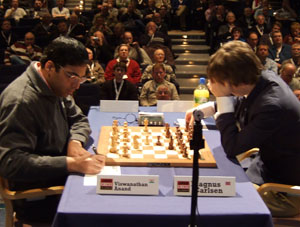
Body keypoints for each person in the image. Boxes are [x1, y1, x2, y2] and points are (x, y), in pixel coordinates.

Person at [185, 41, 300, 217]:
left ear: (234, 80)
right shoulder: (263, 79)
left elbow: (232, 147)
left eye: (219, 81)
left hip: (284, 192)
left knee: (211, 197)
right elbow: (245, 100)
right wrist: (212, 107)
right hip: (265, 168)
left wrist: (222, 97)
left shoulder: (272, 105)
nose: (212, 84)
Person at [0, 37, 105, 224]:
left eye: (82, 78)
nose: (77, 85)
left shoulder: (56, 86)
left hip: (61, 173)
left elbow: (79, 119)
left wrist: (75, 142)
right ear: (49, 67)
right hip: (39, 194)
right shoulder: (21, 101)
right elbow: (11, 163)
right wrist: (71, 163)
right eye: (73, 77)